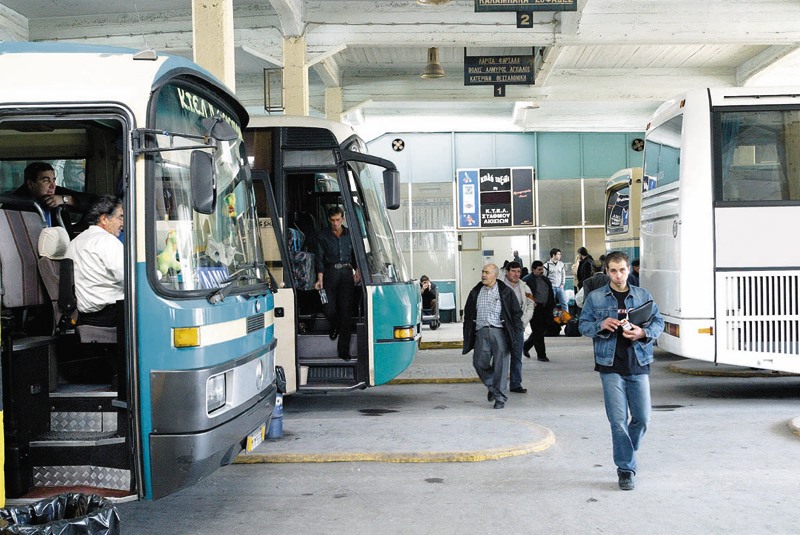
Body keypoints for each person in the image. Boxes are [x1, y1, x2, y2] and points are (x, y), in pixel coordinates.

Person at [578, 251, 664, 491]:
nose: (618, 275)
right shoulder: (595, 298)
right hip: (610, 366)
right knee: (617, 421)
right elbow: (581, 325)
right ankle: (625, 469)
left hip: (638, 363)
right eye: (613, 270)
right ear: (607, 272)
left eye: (622, 270)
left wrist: (643, 333)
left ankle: (627, 450)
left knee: (642, 418)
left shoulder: (642, 295)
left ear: (629, 270)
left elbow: (659, 322)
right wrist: (600, 325)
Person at [462, 263, 522, 409]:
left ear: (495, 275)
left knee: (501, 366)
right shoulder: (476, 292)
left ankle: (500, 398)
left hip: (500, 331)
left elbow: (516, 313)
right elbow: (468, 313)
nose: (483, 275)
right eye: (483, 272)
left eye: (487, 272)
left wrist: (516, 330)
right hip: (481, 332)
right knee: (479, 363)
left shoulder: (505, 292)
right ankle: (493, 387)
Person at [65, 195, 124, 327]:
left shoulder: (75, 242)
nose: (123, 223)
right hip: (110, 315)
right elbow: (129, 277)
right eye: (120, 217)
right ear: (104, 219)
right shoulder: (108, 241)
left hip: (86, 316)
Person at [314, 206, 361, 361]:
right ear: (329, 220)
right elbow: (319, 258)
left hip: (347, 274)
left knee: (346, 312)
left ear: (343, 219)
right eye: (333, 220)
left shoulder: (350, 234)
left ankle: (344, 351)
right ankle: (336, 325)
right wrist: (320, 278)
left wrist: (358, 270)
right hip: (330, 273)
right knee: (327, 307)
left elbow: (356, 255)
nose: (335, 223)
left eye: (338, 220)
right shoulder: (322, 236)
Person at [13, 161, 95, 237]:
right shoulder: (15, 202)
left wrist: (65, 199)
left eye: (53, 180)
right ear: (31, 184)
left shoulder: (57, 193)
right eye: (46, 181)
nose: (52, 186)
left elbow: (97, 202)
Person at [503, 261, 535, 394]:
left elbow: (531, 304)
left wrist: (524, 321)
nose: (516, 274)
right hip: (501, 325)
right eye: (513, 271)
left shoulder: (525, 287)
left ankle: (516, 384)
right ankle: (498, 384)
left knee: (517, 356)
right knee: (501, 356)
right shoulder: (499, 285)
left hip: (518, 326)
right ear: (507, 271)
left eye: (518, 272)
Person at [522, 260, 556, 362]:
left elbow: (550, 294)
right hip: (535, 309)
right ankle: (541, 355)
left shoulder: (546, 280)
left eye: (542, 269)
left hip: (546, 308)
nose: (541, 271)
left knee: (540, 331)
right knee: (538, 332)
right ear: (533, 270)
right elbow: (525, 295)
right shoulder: (527, 280)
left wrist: (552, 306)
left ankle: (526, 346)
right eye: (539, 269)